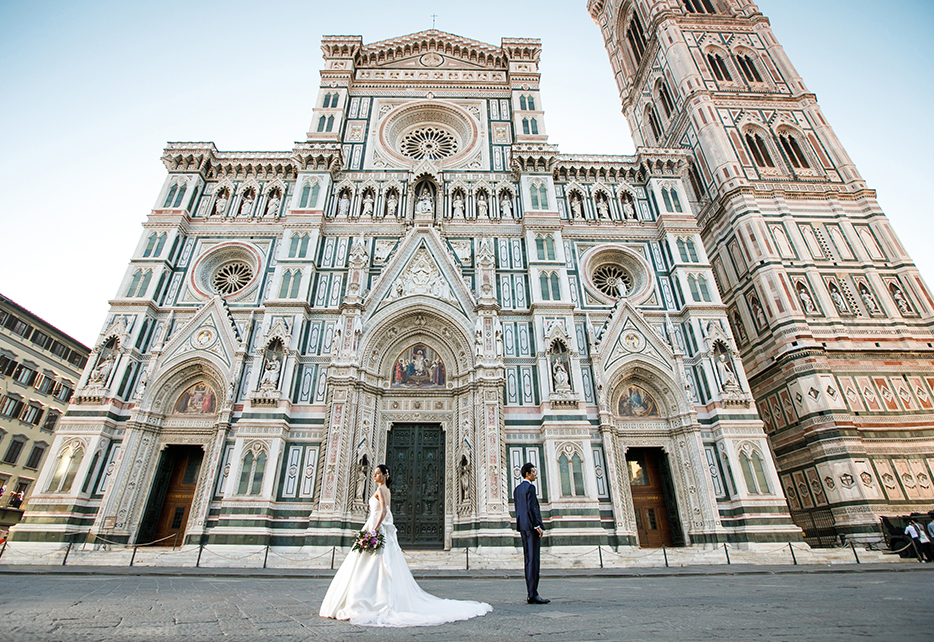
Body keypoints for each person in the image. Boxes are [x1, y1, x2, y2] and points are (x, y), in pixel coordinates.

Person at [320, 464, 492, 626]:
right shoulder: (384, 490)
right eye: (373, 474)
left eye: (377, 473)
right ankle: (373, 596)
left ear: (385, 475)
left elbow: (384, 511)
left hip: (376, 526)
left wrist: (374, 528)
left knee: (373, 563)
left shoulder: (382, 490)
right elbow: (386, 512)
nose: (374, 476)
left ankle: (368, 597)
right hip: (380, 526)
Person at [514, 463, 549, 605]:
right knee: (534, 560)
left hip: (522, 527)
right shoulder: (530, 487)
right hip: (531, 527)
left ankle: (530, 592)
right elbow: (532, 507)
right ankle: (533, 593)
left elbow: (518, 509)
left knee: (528, 560)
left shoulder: (517, 490)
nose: (535, 474)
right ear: (527, 474)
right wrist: (537, 525)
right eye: (533, 472)